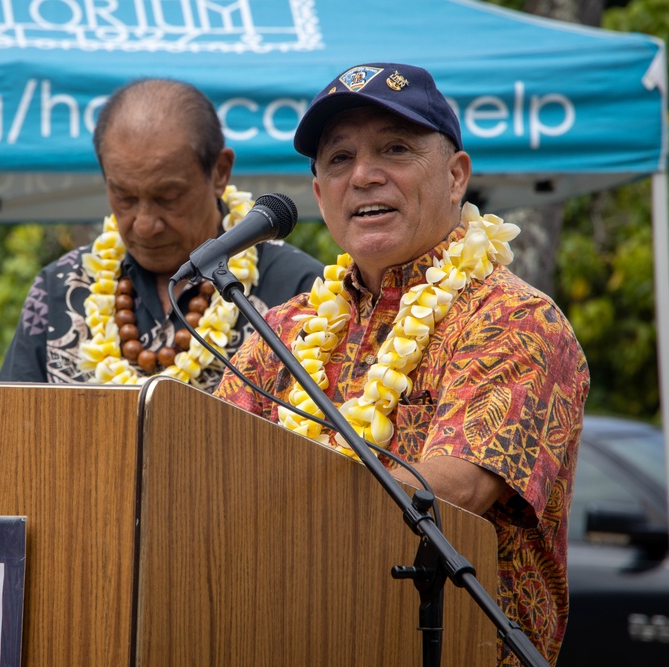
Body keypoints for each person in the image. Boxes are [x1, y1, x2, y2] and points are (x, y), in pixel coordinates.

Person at [214, 63, 589, 666]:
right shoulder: (282, 330)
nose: (363, 175)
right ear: (318, 194)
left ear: (455, 176)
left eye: (395, 148)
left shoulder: (517, 320)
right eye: (339, 159)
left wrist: (267, 507)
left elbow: (452, 488)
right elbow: (203, 463)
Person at [0, 78, 325, 390]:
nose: (144, 224)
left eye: (167, 197)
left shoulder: (303, 291)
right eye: (124, 197)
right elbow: (12, 430)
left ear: (220, 172)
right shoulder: (58, 290)